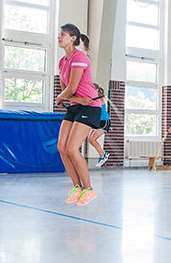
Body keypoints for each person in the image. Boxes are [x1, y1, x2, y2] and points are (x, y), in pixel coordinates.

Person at [56, 23, 101, 206]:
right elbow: (65, 88)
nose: (59, 37)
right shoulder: (62, 61)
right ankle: (77, 187)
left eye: (63, 34)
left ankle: (89, 190)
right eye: (59, 34)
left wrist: (61, 97)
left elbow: (70, 88)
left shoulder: (79, 57)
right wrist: (74, 98)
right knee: (62, 147)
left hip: (90, 107)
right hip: (77, 105)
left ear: (73, 38)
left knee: (73, 148)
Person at [88, 83, 110, 167]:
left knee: (92, 139)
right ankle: (103, 154)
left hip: (104, 121)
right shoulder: (94, 98)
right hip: (98, 121)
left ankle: (103, 155)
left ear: (96, 90)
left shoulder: (99, 98)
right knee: (90, 139)